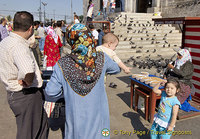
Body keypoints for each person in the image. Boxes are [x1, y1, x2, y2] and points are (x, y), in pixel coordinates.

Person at [45, 23, 120, 138]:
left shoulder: (62, 63)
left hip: (76, 126)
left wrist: (67, 91)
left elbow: (51, 92)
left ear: (71, 40)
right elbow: (116, 69)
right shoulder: (101, 58)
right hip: (99, 125)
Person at [0, 11, 48, 139]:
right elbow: (27, 70)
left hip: (14, 94)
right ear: (31, 28)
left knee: (30, 129)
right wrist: (28, 80)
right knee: (31, 133)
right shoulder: (19, 46)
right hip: (26, 95)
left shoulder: (6, 42)